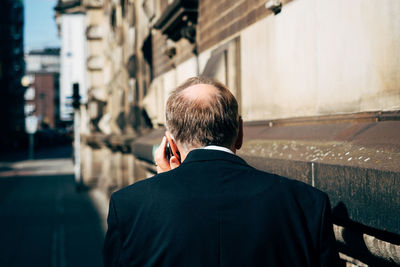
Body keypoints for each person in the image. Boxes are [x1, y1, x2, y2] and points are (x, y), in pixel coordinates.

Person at [103, 76, 339, 266]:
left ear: (171, 144)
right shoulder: (307, 204)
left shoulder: (128, 206)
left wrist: (160, 191)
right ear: (240, 133)